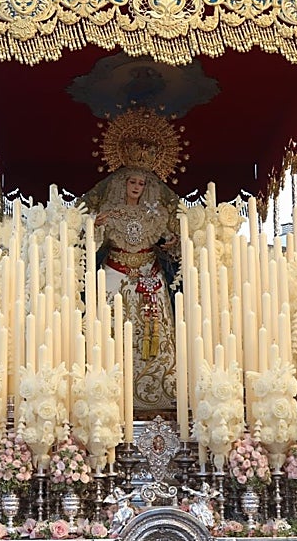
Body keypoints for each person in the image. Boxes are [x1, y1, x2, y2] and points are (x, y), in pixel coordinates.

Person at [84, 166, 180, 411]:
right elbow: (91, 245)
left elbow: (170, 242)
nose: (137, 187)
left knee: (152, 331)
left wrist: (172, 242)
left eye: (141, 184)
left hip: (150, 277)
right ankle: (107, 388)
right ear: (122, 184)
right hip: (115, 276)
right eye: (132, 182)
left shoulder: (154, 215)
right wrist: (93, 226)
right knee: (110, 329)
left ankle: (158, 389)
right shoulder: (108, 213)